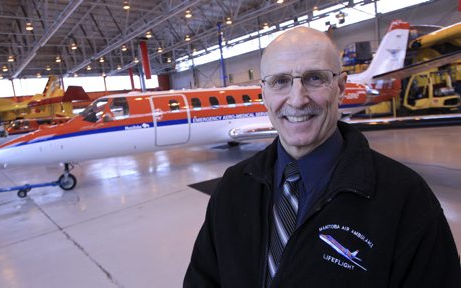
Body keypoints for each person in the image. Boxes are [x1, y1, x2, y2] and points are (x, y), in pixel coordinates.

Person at [183, 26, 460, 287]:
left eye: (315, 78)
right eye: (280, 81)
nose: (297, 99)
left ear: (340, 88)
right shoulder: (233, 186)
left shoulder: (407, 198)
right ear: (264, 94)